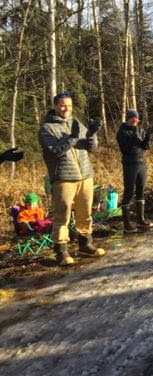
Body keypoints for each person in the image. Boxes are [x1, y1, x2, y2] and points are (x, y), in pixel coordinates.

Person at [39, 91, 105, 266]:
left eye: (69, 105)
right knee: (63, 214)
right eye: (62, 105)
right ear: (55, 106)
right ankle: (61, 251)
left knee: (85, 212)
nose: (66, 109)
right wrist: (73, 138)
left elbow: (91, 148)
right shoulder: (47, 128)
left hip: (85, 174)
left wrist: (92, 134)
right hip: (63, 177)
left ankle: (85, 244)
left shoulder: (77, 123)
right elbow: (55, 150)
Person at [116, 109, 153, 233]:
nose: (135, 120)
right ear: (128, 119)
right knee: (129, 191)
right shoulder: (122, 131)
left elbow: (145, 147)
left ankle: (140, 220)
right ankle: (127, 224)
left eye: (137, 118)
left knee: (141, 191)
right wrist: (135, 134)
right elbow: (127, 148)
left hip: (141, 163)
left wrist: (148, 136)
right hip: (129, 164)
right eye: (133, 118)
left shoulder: (140, 130)